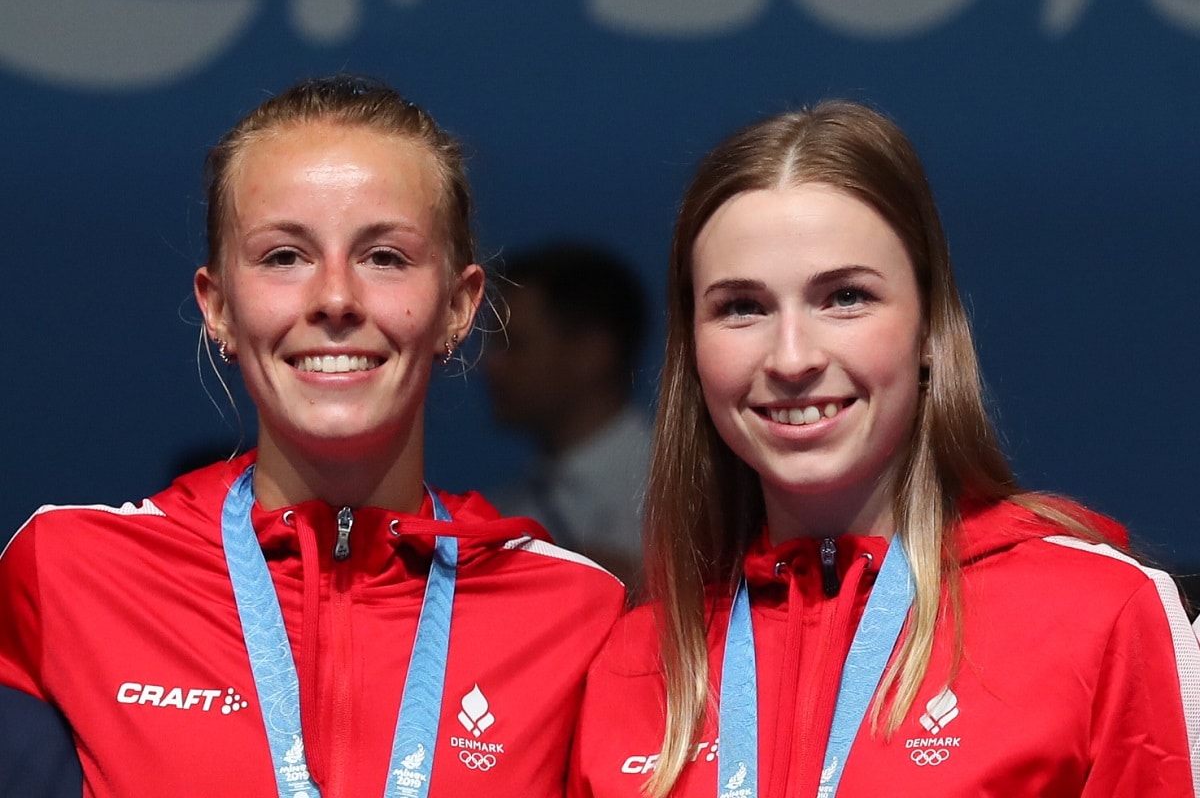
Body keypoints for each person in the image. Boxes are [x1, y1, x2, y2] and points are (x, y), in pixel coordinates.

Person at [0, 75, 625, 797]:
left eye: (385, 257)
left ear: (458, 306)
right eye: (284, 257)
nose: (335, 298)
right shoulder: (68, 572)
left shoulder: (578, 614)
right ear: (219, 307)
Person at [568, 101, 1200, 797]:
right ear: (692, 351)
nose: (792, 356)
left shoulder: (1099, 615)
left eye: (844, 297)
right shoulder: (634, 657)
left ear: (930, 328)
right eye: (741, 307)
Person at [483, 242, 651, 588]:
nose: (492, 366)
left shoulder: (682, 495)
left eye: (515, 344)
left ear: (593, 353)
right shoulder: (506, 509)